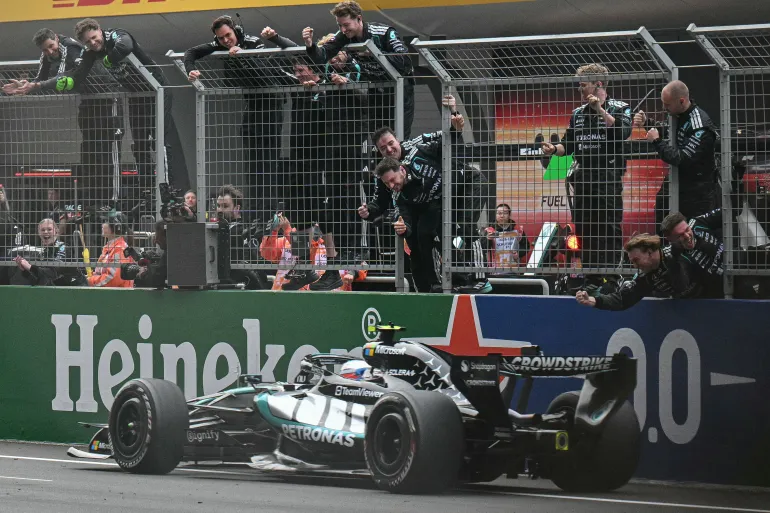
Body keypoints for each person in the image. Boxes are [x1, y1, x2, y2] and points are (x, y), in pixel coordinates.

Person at [16, 18, 189, 194]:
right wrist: (38, 85)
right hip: (137, 95)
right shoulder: (90, 53)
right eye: (87, 41)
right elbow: (76, 76)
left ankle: (172, 186)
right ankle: (147, 187)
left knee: (161, 138)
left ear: (99, 30)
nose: (92, 42)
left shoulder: (115, 35)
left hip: (157, 89)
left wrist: (107, 61)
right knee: (140, 143)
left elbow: (126, 46)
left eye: (94, 37)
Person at [367, 94, 491, 292]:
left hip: (466, 182)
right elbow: (385, 205)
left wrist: (454, 113)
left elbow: (450, 133)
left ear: (403, 170)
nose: (389, 150)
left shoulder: (417, 146)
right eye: (383, 149)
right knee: (430, 234)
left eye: (391, 144)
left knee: (465, 226)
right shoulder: (391, 181)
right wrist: (381, 215)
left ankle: (481, 279)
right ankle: (445, 282)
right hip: (441, 200)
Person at [184, 18, 297, 223]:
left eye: (228, 35)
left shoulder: (252, 42)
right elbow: (190, 53)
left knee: (268, 162)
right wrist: (190, 69)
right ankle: (252, 216)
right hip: (251, 106)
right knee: (251, 163)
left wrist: (242, 56)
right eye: (221, 38)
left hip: (271, 105)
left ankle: (268, 215)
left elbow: (264, 75)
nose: (226, 40)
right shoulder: (219, 44)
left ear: (235, 31)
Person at [2, 29, 119, 208]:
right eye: (45, 50)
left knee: (106, 149)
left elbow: (64, 77)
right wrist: (25, 86)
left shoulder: (70, 47)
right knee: (88, 149)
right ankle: (93, 199)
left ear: (56, 39)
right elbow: (40, 80)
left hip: (106, 95)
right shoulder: (46, 56)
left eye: (51, 46)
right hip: (88, 99)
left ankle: (111, 200)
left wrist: (36, 85)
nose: (49, 52)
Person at [542, 63, 632, 293]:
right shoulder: (577, 114)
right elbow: (568, 145)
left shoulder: (620, 107)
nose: (580, 90)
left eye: (583, 85)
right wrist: (553, 149)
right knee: (585, 229)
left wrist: (601, 110)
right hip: (582, 178)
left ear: (598, 84)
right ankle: (591, 276)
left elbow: (622, 133)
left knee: (608, 228)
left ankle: (611, 278)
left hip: (608, 176)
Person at [302, 0, 415, 138]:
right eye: (339, 25)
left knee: (399, 138)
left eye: (346, 25)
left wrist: (376, 55)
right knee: (377, 139)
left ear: (359, 19)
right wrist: (310, 44)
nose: (343, 29)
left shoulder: (383, 32)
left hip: (401, 89)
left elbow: (405, 60)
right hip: (376, 89)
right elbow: (323, 55)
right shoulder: (343, 36)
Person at [635, 80, 719, 223]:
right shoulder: (677, 115)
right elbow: (670, 135)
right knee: (663, 219)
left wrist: (656, 141)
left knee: (693, 229)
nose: (664, 107)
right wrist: (647, 124)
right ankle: (664, 245)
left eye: (667, 104)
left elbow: (682, 158)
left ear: (681, 101)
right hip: (678, 182)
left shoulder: (699, 125)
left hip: (696, 190)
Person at [575, 233, 698, 311]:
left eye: (636, 260)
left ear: (649, 252)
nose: (635, 265)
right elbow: (623, 299)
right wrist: (592, 300)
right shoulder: (646, 276)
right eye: (632, 261)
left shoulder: (677, 253)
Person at [375, 157, 442, 292]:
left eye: (393, 180)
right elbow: (403, 218)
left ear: (402, 170)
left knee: (425, 236)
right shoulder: (397, 195)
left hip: (436, 236)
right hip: (416, 249)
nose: (392, 186)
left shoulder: (423, 174)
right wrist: (403, 228)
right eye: (387, 184)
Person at [661, 210, 724, 298]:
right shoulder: (673, 256)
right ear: (670, 240)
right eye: (680, 235)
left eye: (687, 229)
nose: (687, 236)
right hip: (715, 294)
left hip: (735, 268)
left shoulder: (696, 223)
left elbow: (729, 210)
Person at [0, 219, 67, 286]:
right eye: (43, 230)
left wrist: (30, 267)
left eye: (49, 229)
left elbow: (53, 273)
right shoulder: (43, 252)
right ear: (39, 233)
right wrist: (24, 269)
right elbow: (38, 279)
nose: (46, 232)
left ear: (56, 231)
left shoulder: (63, 247)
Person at [88, 213, 135, 288]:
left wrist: (90, 281)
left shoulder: (119, 249)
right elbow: (100, 272)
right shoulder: (109, 248)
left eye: (106, 222)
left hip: (118, 297)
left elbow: (112, 279)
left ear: (116, 227)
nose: (102, 225)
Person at [481, 203, 531, 274]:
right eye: (499, 213)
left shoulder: (518, 230)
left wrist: (518, 253)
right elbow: (483, 248)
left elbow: (526, 246)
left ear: (509, 215)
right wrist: (488, 239)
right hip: (495, 271)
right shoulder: (490, 230)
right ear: (495, 215)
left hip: (513, 270)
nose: (502, 216)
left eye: (505, 213)